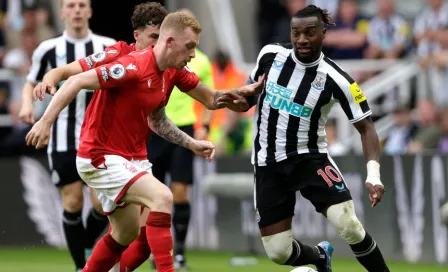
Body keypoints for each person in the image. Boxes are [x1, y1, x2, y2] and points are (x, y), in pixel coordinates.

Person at [26, 11, 262, 272]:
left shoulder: (172, 71)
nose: (194, 54)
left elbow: (198, 104)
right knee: (162, 197)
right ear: (167, 41)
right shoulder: (130, 64)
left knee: (128, 235)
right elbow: (76, 79)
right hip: (101, 154)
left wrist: (239, 96)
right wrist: (45, 121)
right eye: (190, 47)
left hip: (132, 158)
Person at [224, 5, 390, 272]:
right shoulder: (270, 55)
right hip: (268, 164)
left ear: (323, 34)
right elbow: (249, 99)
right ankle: (319, 258)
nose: (301, 39)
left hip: (310, 161)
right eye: (296, 33)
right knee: (279, 252)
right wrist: (234, 101)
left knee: (349, 225)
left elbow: (367, 127)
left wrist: (373, 174)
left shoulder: (338, 79)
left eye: (310, 33)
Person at [18, 0, 116, 271]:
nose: (76, 10)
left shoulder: (107, 46)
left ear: (90, 11)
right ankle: (79, 265)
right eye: (70, 5)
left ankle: (83, 240)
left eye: (81, 5)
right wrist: (28, 104)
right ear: (61, 12)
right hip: (61, 135)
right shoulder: (48, 48)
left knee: (101, 204)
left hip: (99, 137)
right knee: (72, 201)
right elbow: (31, 80)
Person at [145, 8, 213, 270]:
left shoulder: (201, 61)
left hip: (183, 128)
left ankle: (180, 251)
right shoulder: (158, 58)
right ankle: (155, 251)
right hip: (153, 129)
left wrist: (204, 127)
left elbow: (209, 96)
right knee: (153, 194)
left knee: (180, 192)